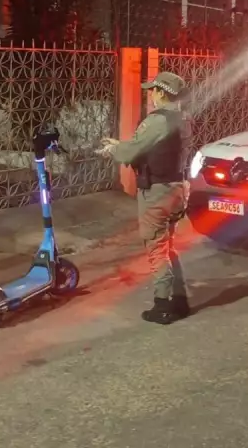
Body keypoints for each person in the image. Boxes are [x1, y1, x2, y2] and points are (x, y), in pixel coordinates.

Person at [99, 71, 191, 325]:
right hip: (178, 188)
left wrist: (113, 149)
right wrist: (121, 145)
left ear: (162, 92)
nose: (150, 94)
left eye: (152, 90)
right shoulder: (183, 118)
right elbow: (154, 148)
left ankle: (162, 305)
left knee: (156, 248)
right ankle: (180, 300)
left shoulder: (156, 121)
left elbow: (130, 153)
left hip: (158, 193)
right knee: (168, 246)